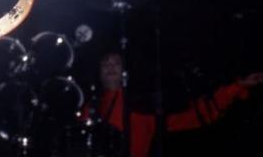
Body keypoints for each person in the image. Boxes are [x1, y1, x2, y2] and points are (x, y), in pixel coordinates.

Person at [81, 52, 263, 157]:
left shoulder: (142, 103)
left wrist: (236, 87)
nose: (111, 67)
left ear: (125, 72)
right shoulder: (89, 107)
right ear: (99, 72)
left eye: (116, 63)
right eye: (105, 64)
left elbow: (196, 114)